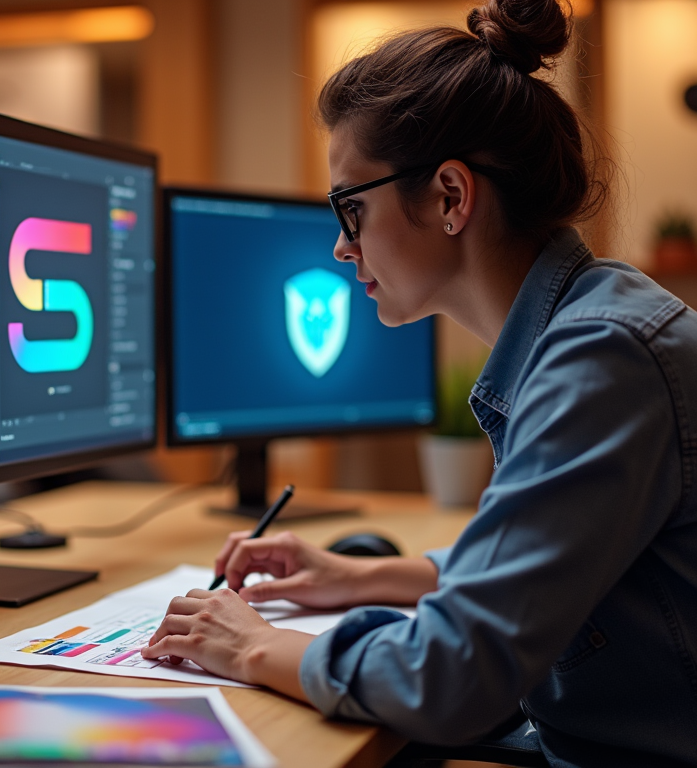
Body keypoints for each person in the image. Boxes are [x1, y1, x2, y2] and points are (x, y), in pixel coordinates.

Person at [141, 0, 697, 765]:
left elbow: (451, 676)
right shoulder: (588, 327)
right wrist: (357, 575)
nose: (340, 246)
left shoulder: (602, 359)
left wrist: (251, 648)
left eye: (350, 207)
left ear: (449, 196)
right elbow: (543, 557)